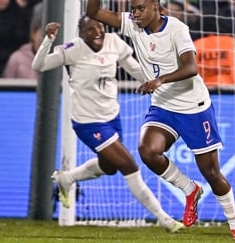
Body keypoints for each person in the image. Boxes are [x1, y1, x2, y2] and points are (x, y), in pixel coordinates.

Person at [86, 0, 235, 241]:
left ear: (156, 7)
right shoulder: (133, 26)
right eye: (133, 9)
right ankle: (189, 189)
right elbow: (94, 12)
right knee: (148, 151)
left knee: (211, 172)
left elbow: (191, 68)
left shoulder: (177, 29)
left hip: (193, 107)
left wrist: (159, 80)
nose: (134, 14)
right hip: (164, 106)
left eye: (140, 9)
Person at [31, 17, 184, 233]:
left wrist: (159, 83)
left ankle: (67, 178)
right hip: (88, 122)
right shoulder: (72, 50)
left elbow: (134, 68)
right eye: (90, 28)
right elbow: (38, 65)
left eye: (99, 27)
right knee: (129, 166)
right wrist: (48, 40)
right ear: (81, 33)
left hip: (112, 116)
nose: (97, 32)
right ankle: (164, 219)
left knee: (109, 167)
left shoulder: (113, 42)